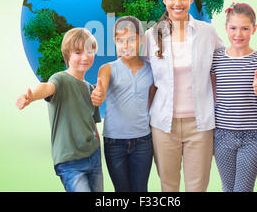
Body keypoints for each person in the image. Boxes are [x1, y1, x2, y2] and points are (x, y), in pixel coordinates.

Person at [142, 0, 224, 192]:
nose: (177, 3)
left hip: (200, 125)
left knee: (197, 187)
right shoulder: (151, 35)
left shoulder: (207, 32)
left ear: (191, 0)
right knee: (169, 188)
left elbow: (224, 67)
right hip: (163, 124)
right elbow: (140, 76)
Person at [15, 28, 103, 192]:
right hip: (70, 162)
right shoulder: (60, 79)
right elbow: (47, 87)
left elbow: (92, 124)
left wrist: (98, 146)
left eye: (89, 51)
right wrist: (31, 96)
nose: (85, 57)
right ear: (67, 55)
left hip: (93, 157)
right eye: (78, 52)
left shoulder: (91, 89)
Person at [210, 2, 257, 192]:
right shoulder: (216, 58)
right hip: (222, 134)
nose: (238, 34)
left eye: (245, 28)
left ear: (254, 29)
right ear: (226, 28)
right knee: (228, 188)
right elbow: (209, 91)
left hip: (252, 137)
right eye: (233, 28)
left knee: (243, 189)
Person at [91, 16, 154, 192]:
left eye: (131, 39)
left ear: (141, 40)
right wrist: (98, 96)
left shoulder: (151, 69)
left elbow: (152, 102)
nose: (125, 46)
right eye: (120, 41)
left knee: (140, 189)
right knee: (122, 191)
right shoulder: (108, 68)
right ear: (114, 42)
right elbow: (101, 92)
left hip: (143, 141)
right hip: (114, 143)